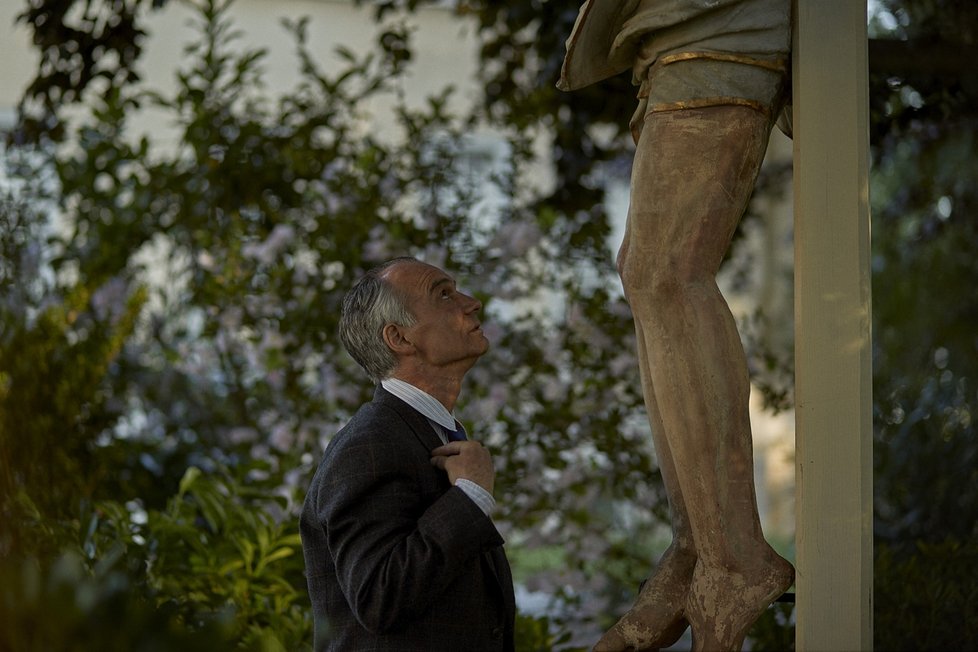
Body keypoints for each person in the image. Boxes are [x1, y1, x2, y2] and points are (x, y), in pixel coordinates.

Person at [558, 1, 795, 650]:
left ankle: (734, 554)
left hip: (720, 26)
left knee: (668, 274)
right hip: (679, 36)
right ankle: (699, 546)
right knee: (646, 273)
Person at [299, 257, 516, 651]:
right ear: (399, 339)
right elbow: (378, 597)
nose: (471, 302)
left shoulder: (417, 433)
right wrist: (469, 497)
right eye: (444, 294)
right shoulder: (369, 446)